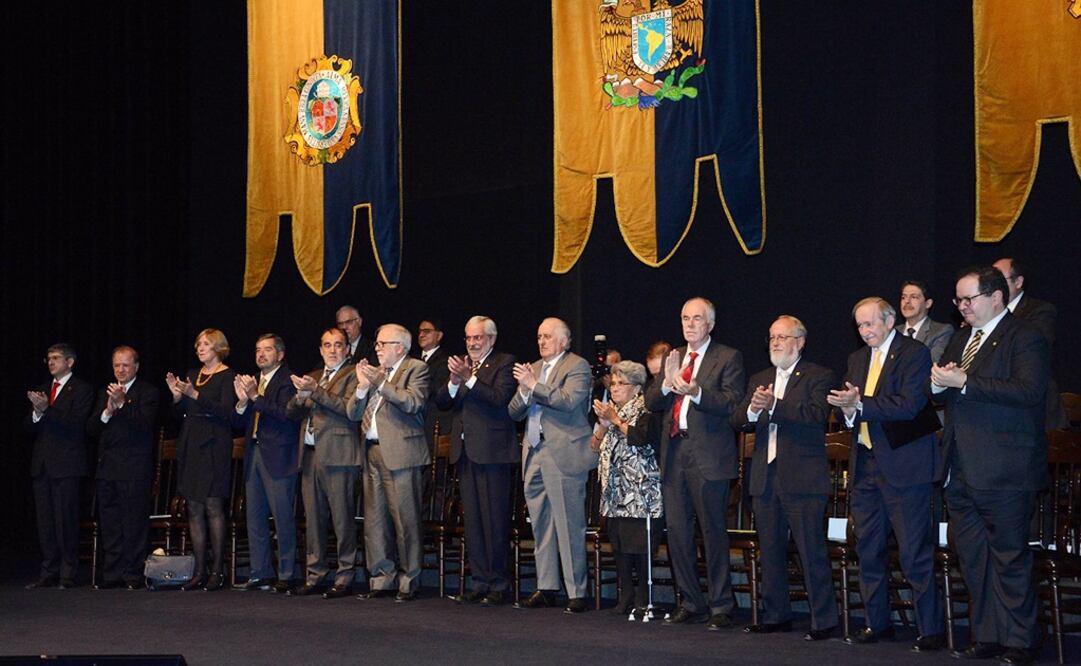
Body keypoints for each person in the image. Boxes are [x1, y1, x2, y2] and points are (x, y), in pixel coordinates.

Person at [932, 266, 1050, 664]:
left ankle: (1021, 639)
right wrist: (937, 384)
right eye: (958, 301)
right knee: (974, 557)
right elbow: (948, 389)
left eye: (969, 299)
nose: (962, 307)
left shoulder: (1024, 335)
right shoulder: (962, 338)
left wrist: (964, 381)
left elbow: (1029, 392)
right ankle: (987, 635)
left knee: (1009, 556)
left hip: (1005, 469)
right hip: (960, 468)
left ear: (996, 297)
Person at [827, 298, 943, 650]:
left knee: (913, 551)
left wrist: (859, 404)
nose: (865, 331)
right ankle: (877, 624)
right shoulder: (857, 359)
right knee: (869, 548)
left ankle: (931, 630)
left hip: (905, 466)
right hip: (865, 465)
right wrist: (849, 409)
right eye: (860, 326)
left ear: (890, 320)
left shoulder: (914, 353)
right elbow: (853, 412)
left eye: (871, 324)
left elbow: (909, 405)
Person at [731, 316, 839, 640]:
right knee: (771, 550)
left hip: (803, 477)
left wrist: (774, 405)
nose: (776, 343)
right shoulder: (760, 378)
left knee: (810, 550)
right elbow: (737, 420)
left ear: (800, 342)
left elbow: (814, 416)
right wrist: (753, 408)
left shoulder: (819, 376)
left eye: (783, 337)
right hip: (765, 477)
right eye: (772, 337)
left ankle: (824, 620)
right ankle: (776, 614)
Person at [644, 297, 745, 630]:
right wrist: (668, 383)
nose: (689, 324)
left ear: (710, 324)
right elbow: (651, 401)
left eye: (696, 318)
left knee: (712, 533)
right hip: (675, 454)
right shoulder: (674, 357)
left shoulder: (727, 357)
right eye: (685, 318)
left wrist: (695, 390)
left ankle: (721, 606)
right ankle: (690, 602)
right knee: (677, 534)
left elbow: (732, 403)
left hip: (709, 457)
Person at [508, 317, 595, 613]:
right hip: (533, 451)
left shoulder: (577, 366)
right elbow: (513, 412)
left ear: (564, 340)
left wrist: (535, 386)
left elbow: (570, 401)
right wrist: (523, 391)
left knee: (569, 523)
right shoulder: (533, 368)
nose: (541, 341)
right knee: (541, 523)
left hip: (563, 452)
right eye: (539, 336)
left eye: (547, 336)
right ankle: (546, 586)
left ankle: (577, 591)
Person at [435, 315, 518, 606]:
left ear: (491, 339)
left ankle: (499, 583)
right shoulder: (462, 367)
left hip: (493, 454)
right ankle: (480, 581)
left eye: (478, 338)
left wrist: (468, 378)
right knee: (473, 523)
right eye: (469, 338)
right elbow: (442, 401)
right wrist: (455, 382)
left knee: (494, 521)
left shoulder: (505, 362)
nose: (472, 344)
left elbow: (499, 398)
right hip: (466, 452)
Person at [349, 324, 431, 602]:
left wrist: (381, 384)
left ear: (400, 347)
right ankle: (381, 578)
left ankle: (410, 579)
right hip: (371, 452)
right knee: (374, 520)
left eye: (383, 344)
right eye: (377, 344)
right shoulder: (374, 374)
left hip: (402, 455)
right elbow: (352, 412)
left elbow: (413, 403)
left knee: (405, 519)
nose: (377, 348)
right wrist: (362, 387)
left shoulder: (416, 369)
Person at [286, 327, 362, 598]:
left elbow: (349, 409)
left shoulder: (354, 374)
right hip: (309, 454)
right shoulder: (314, 375)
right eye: (327, 345)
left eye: (338, 345)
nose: (332, 350)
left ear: (347, 349)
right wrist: (299, 398)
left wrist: (315, 392)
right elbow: (291, 413)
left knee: (342, 519)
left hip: (340, 454)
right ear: (320, 349)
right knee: (314, 519)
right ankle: (315, 574)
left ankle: (345, 575)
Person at [166, 329, 238, 591]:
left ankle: (217, 570)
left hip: (214, 443)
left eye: (205, 344)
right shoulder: (193, 375)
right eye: (198, 344)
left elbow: (227, 413)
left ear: (219, 347)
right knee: (194, 507)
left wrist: (195, 395)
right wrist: (177, 396)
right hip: (191, 442)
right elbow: (180, 414)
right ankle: (198, 569)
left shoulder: (228, 376)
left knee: (212, 506)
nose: (200, 348)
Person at [591, 360, 662, 616]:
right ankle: (626, 594)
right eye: (613, 383)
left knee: (639, 546)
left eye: (622, 383)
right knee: (619, 545)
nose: (615, 388)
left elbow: (641, 438)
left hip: (640, 491)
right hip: (615, 491)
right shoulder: (613, 410)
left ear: (637, 387)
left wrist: (616, 421)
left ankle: (643, 595)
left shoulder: (646, 409)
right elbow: (595, 446)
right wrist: (602, 424)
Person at [231, 334, 300, 593]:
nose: (261, 355)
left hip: (279, 456)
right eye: (258, 350)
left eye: (267, 350)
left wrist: (255, 397)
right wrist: (241, 402)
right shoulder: (254, 382)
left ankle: (287, 573)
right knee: (255, 517)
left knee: (282, 517)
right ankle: (260, 572)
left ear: (280, 355)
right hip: (254, 453)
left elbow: (286, 414)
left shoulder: (288, 380)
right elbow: (237, 423)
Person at [88, 345, 159, 590]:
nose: (120, 369)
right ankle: (112, 573)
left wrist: (124, 404)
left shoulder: (147, 392)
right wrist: (108, 409)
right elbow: (92, 429)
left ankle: (132, 574)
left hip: (134, 469)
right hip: (107, 469)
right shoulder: (104, 392)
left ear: (136, 367)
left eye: (125, 365)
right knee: (110, 523)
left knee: (133, 523)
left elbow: (145, 425)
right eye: (117, 365)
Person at [25, 343, 94, 589]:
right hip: (42, 465)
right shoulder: (44, 389)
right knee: (45, 521)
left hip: (67, 464)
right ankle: (48, 571)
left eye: (55, 358)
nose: (51, 362)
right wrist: (37, 412)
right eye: (48, 358)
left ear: (70, 362)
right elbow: (29, 427)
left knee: (65, 519)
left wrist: (47, 410)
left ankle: (68, 573)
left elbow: (76, 425)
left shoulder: (82, 389)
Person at [992, 257, 1067, 430]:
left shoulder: (1040, 311)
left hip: (1036, 410)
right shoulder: (983, 314)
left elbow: (1036, 349)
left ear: (1018, 282)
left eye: (999, 280)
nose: (994, 286)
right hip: (998, 407)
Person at [897, 280, 954, 363]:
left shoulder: (941, 331)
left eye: (913, 297)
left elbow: (931, 364)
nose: (907, 301)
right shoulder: (893, 332)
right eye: (903, 297)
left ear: (928, 303)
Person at [416, 318, 451, 448]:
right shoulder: (413, 359)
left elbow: (438, 393)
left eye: (427, 331)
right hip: (414, 426)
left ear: (439, 335)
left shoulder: (445, 361)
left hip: (432, 425)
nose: (421, 335)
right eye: (420, 331)